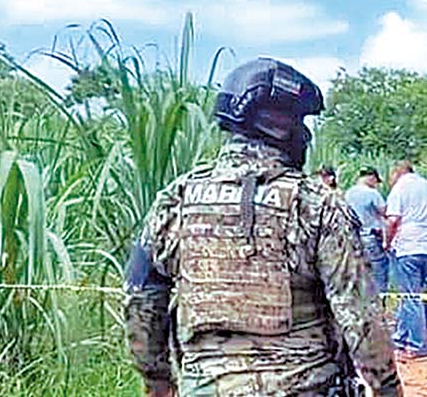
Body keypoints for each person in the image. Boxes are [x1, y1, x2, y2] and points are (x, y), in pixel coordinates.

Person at [124, 57, 401, 396]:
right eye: (299, 121)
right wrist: (387, 388)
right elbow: (360, 316)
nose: (305, 134)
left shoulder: (175, 200)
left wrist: (158, 382)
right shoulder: (317, 204)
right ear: (280, 126)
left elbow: (141, 299)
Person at [385, 160, 427, 362]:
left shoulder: (399, 188)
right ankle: (399, 339)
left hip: (407, 247)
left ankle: (417, 346)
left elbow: (392, 220)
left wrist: (386, 242)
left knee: (411, 298)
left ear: (397, 173)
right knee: (409, 295)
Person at [345, 167, 389, 294]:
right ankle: (379, 299)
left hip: (353, 238)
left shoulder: (348, 194)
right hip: (370, 237)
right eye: (375, 181)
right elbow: (385, 212)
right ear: (371, 177)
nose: (376, 184)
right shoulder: (373, 194)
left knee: (358, 271)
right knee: (379, 270)